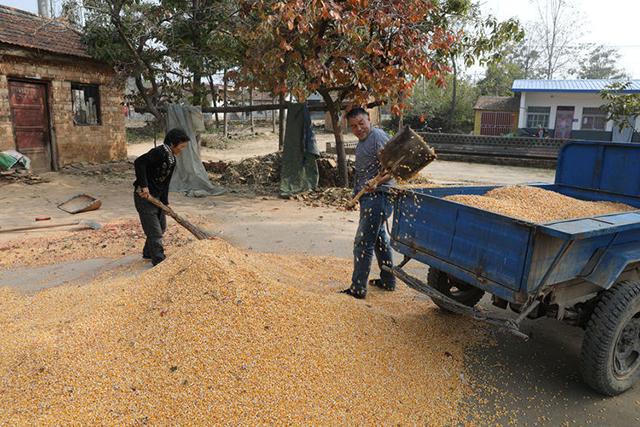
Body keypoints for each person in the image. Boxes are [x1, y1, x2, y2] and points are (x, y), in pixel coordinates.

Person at [340, 107, 396, 299]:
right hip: (367, 198)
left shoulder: (378, 136)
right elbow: (363, 173)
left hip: (380, 196)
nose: (358, 129)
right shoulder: (361, 144)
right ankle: (388, 281)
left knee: (363, 243)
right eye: (354, 126)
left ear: (369, 119)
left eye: (361, 124)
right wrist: (355, 197)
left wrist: (377, 181)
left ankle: (357, 289)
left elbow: (393, 167)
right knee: (379, 239)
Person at [133, 128, 190, 266]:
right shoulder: (159, 152)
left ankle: (148, 252)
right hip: (144, 196)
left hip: (157, 197)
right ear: (172, 144)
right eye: (181, 146)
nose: (182, 150)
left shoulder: (172, 160)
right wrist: (144, 185)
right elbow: (139, 162)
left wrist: (165, 203)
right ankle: (159, 260)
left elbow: (166, 183)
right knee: (155, 231)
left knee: (161, 227)